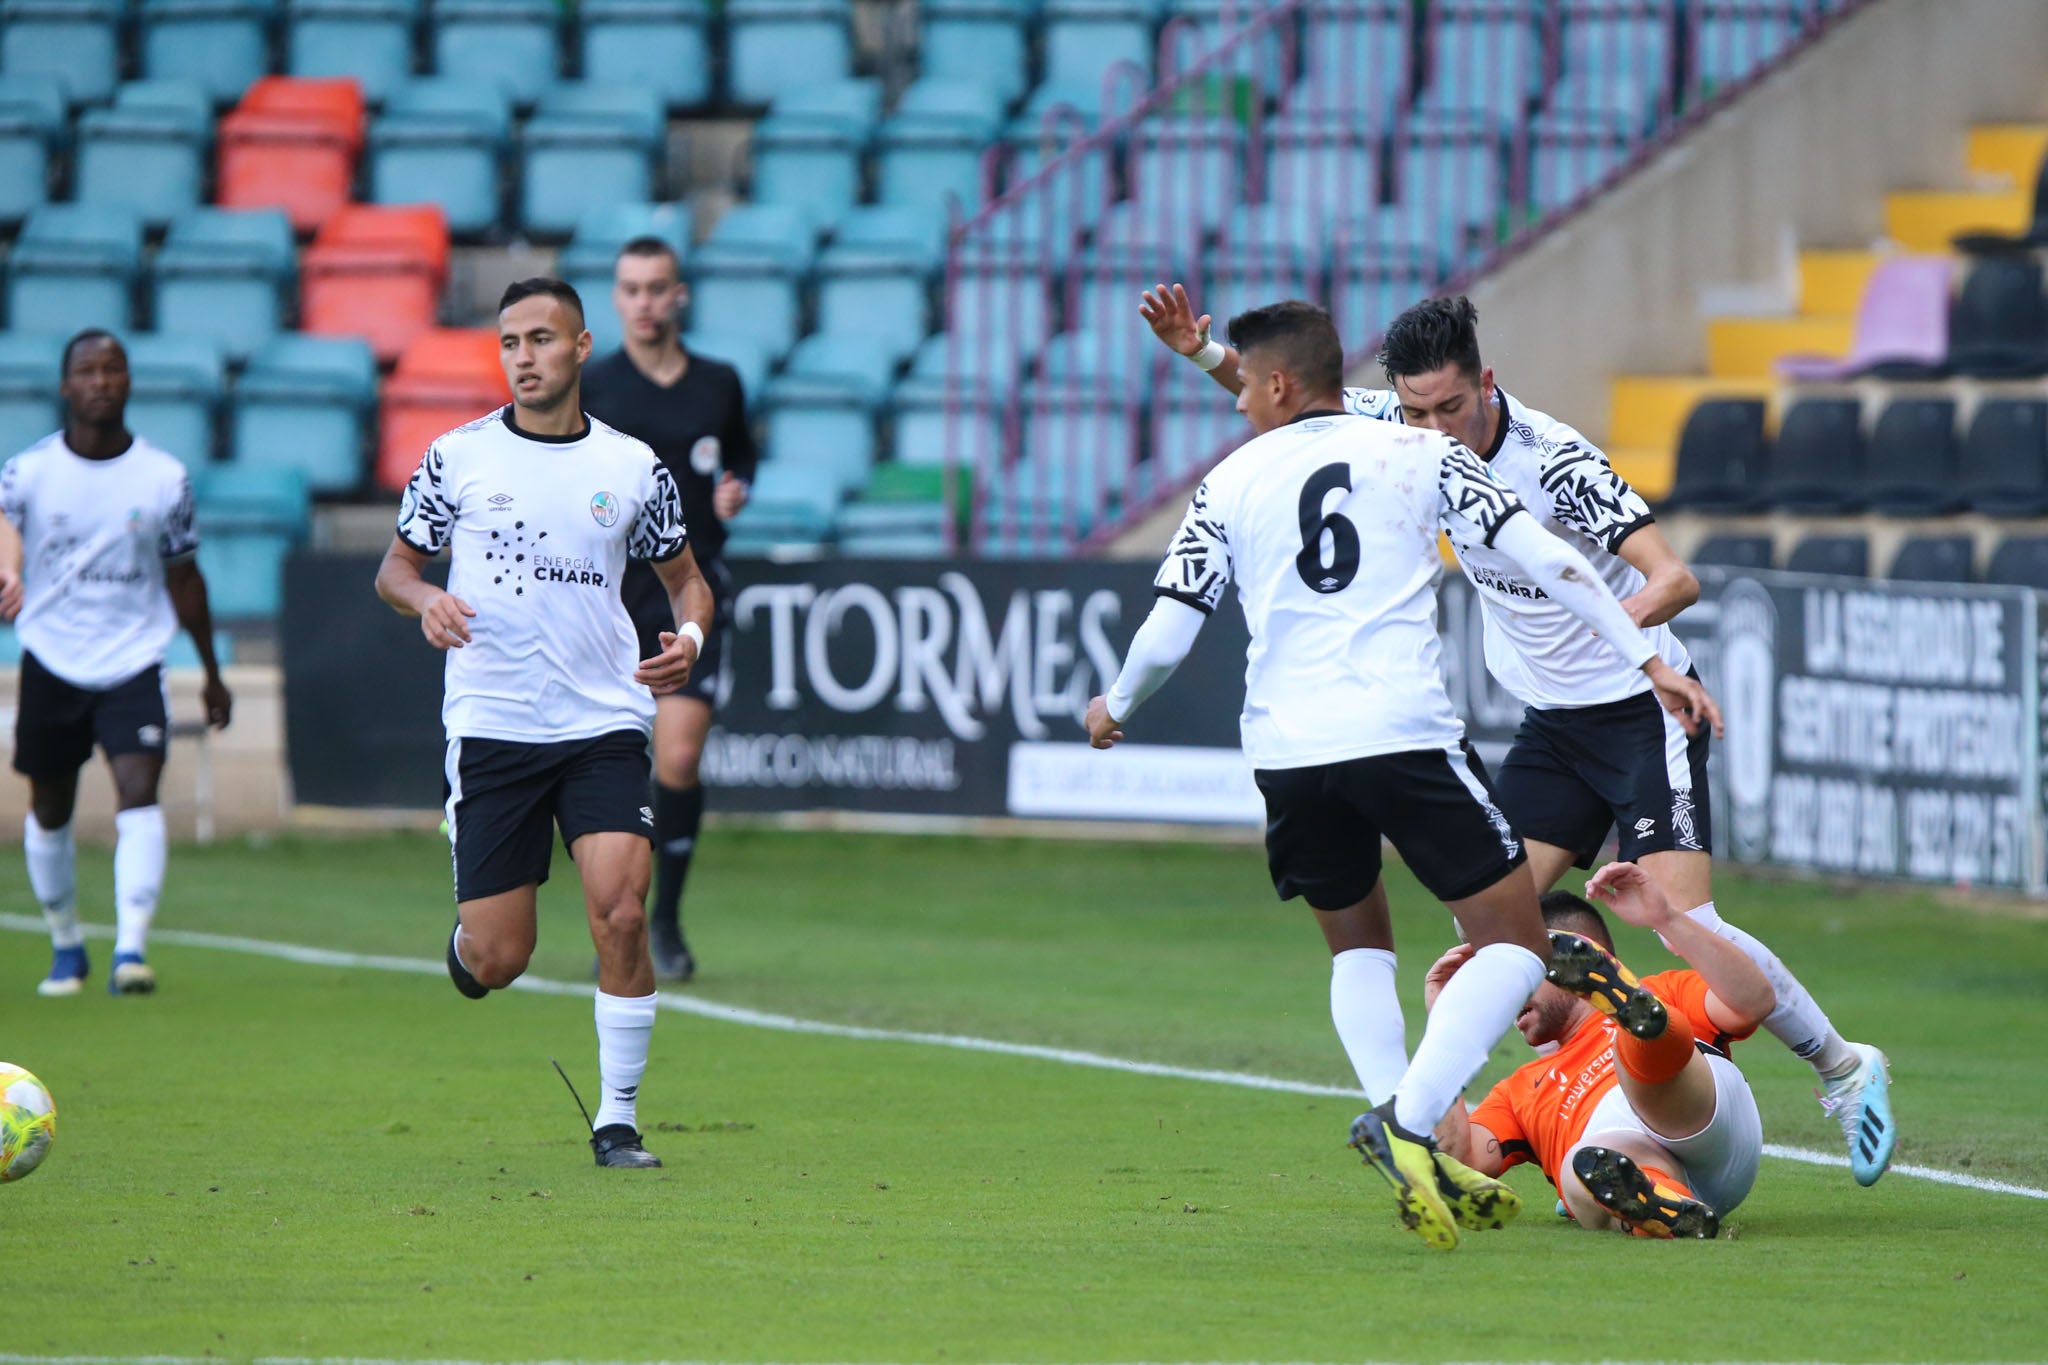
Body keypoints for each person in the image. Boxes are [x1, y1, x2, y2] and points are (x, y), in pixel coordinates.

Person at [1140, 285, 1897, 1187]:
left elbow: (1675, 578)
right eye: (1417, 410)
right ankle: (1456, 1133)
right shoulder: (1402, 430)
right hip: (1552, 729)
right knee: (1494, 933)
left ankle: (1844, 1064)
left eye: (1451, 407)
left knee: (1685, 918)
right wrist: (1198, 350)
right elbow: (1287, 389)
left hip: (1639, 711)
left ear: (1486, 384)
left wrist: (1622, 634)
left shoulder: (1557, 461)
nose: (1435, 429)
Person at [1085, 301, 1723, 1251]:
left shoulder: (1227, 479)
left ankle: (1402, 1119)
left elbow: (1172, 624)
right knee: (1510, 940)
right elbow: (1552, 561)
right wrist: (1651, 658)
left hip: (1287, 751)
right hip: (1400, 733)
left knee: (1358, 949)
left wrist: (1117, 707)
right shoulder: (1423, 454)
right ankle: (1412, 1121)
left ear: (1274, 385)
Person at [374, 279, 714, 1170]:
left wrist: (689, 637)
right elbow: (397, 567)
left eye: (541, 339)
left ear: (581, 346)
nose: (524, 357)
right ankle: (467, 948)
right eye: (510, 343)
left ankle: (618, 1121)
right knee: (501, 954)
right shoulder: (458, 457)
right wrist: (426, 602)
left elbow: (687, 579)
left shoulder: (632, 467)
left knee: (622, 912)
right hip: (493, 722)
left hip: (603, 719)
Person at [0, 330, 232, 997]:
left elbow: (185, 577)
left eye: (114, 369)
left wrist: (211, 671)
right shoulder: (28, 472)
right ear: (66, 385)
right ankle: (67, 943)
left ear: (129, 382)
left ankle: (130, 949)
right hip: (52, 656)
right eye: (87, 371)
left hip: (133, 657)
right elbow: (3, 534)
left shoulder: (163, 477)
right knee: (50, 806)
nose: (102, 380)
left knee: (139, 791)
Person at [580, 236, 756, 984]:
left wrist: (736, 487)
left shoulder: (718, 382)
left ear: (679, 295)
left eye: (658, 287)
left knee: (678, 755)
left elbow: (743, 454)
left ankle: (667, 919)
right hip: (603, 595)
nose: (646, 302)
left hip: (688, 588)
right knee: (577, 755)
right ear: (616, 299)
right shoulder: (595, 387)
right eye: (632, 289)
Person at [1430, 866, 1777, 1238]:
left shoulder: (1661, 989)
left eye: (1518, 975)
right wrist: (1443, 1022)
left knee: (1631, 1043)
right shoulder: (1516, 1094)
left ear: (1566, 954)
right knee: (1583, 1166)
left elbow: (1754, 1002)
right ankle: (1670, 1209)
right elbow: (1455, 1163)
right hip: (1648, 1162)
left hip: (1702, 1115)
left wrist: (1666, 918)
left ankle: (1644, 1029)